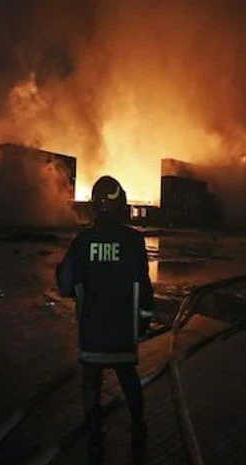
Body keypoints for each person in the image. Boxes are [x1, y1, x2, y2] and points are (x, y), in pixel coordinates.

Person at [56, 175, 154, 464]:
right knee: (129, 381)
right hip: (123, 334)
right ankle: (139, 430)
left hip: (93, 335)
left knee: (91, 387)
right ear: (120, 204)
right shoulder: (134, 241)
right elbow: (145, 289)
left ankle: (96, 441)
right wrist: (143, 321)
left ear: (95, 207)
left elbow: (64, 283)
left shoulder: (83, 243)